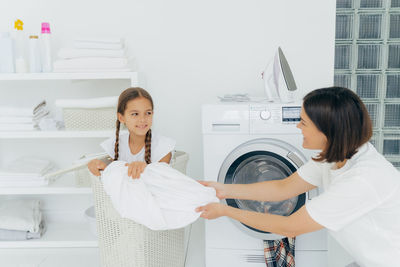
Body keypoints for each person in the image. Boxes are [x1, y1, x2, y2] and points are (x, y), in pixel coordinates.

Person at [196, 86, 400, 267]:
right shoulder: (336, 156)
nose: (297, 127)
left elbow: (290, 226)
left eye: (303, 122)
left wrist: (225, 211)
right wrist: (223, 189)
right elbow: (283, 188)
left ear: (327, 131)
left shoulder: (361, 180)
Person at [88, 87, 175, 178]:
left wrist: (146, 169)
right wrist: (101, 167)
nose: (142, 119)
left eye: (148, 113)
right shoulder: (116, 144)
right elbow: (114, 177)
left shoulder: (163, 146)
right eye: (135, 114)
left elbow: (163, 180)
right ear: (121, 117)